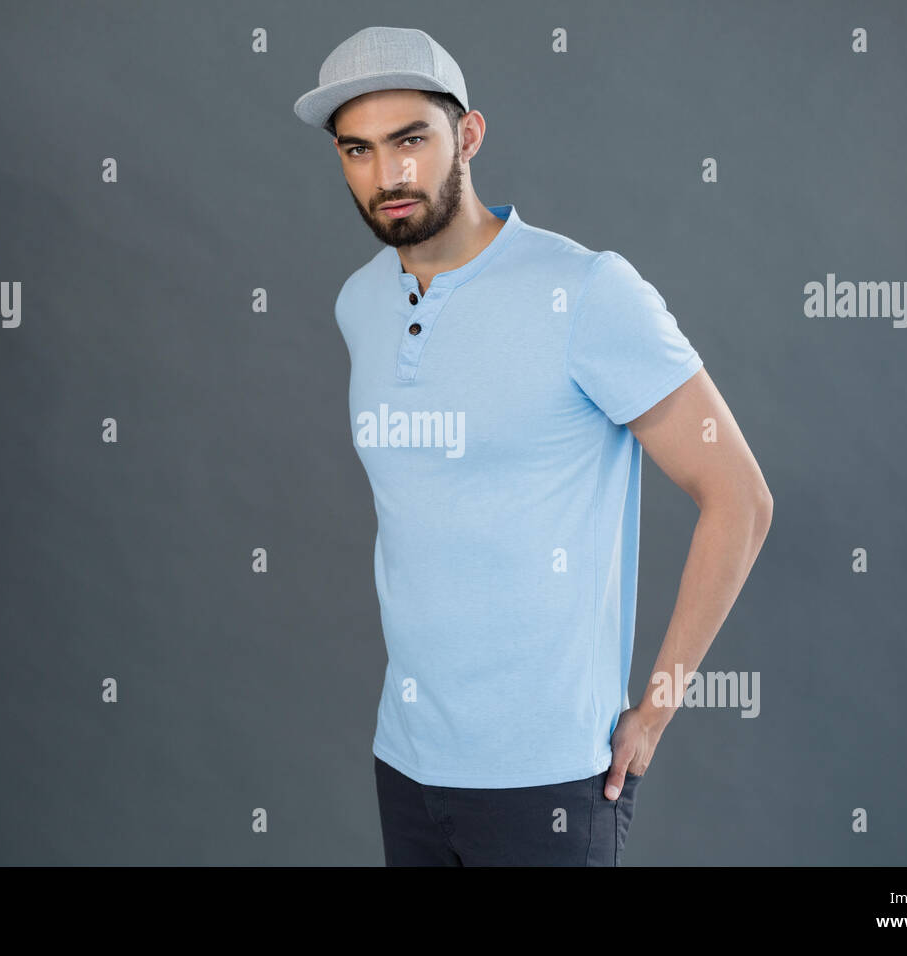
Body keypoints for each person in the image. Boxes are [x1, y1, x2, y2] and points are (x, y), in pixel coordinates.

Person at [294, 26, 773, 866]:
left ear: (468, 136)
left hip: (548, 779)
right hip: (406, 760)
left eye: (411, 140)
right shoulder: (359, 302)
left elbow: (739, 497)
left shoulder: (586, 292)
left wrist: (653, 712)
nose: (388, 175)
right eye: (358, 150)